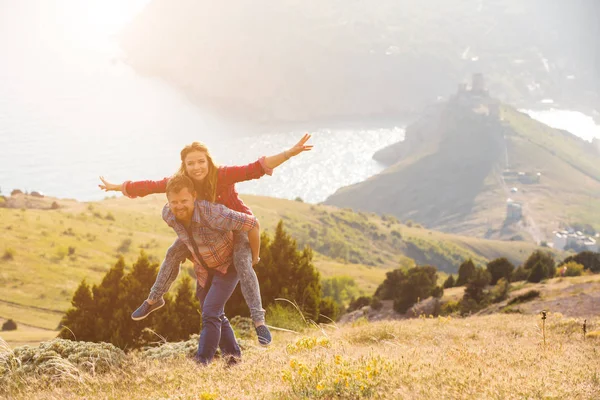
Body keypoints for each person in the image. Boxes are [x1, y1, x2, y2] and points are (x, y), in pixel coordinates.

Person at [99, 134, 312, 346]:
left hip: (236, 228)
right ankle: (154, 299)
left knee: (242, 264)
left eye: (201, 161)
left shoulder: (223, 175)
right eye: (190, 163)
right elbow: (150, 186)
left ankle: (259, 321)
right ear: (184, 165)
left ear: (208, 160)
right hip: (204, 231)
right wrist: (119, 187)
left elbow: (256, 168)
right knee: (173, 253)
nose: (196, 167)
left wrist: (288, 153)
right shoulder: (181, 183)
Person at [162, 174, 257, 365]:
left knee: (210, 313)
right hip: (205, 269)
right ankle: (234, 359)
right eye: (174, 202)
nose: (179, 205)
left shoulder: (212, 213)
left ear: (194, 196)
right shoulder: (169, 214)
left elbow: (251, 222)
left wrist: (253, 257)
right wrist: (123, 187)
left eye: (184, 200)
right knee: (216, 314)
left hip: (228, 265)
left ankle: (201, 363)